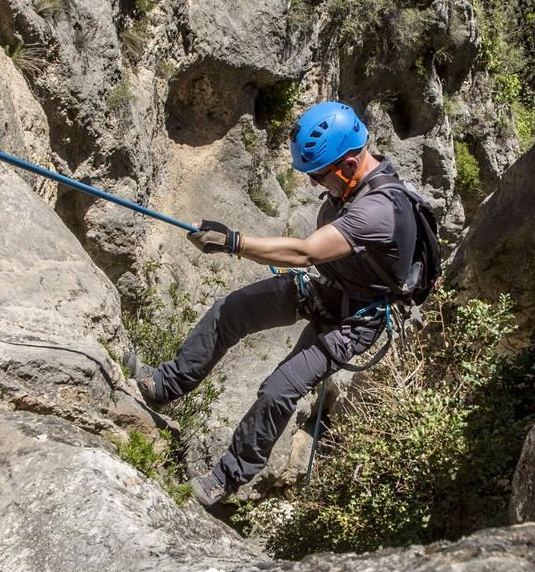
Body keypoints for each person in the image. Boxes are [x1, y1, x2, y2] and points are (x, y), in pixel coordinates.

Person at [127, 100, 422, 510]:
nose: (318, 185)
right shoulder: (355, 186)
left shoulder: (379, 210)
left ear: (349, 165)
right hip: (329, 290)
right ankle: (165, 385)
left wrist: (234, 242)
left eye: (320, 176)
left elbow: (305, 253)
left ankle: (224, 480)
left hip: (352, 321)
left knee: (278, 390)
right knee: (232, 311)